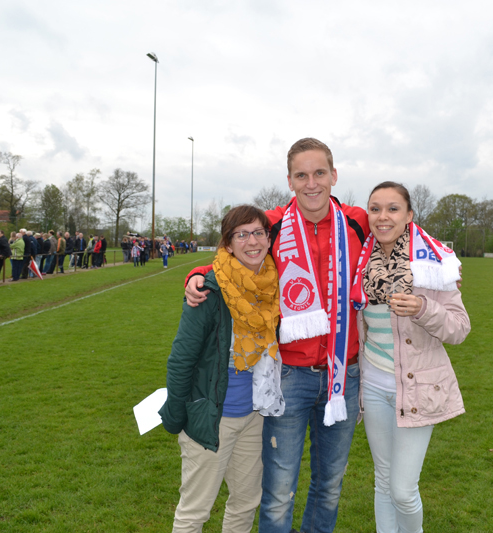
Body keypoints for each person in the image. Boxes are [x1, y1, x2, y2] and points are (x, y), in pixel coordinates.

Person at [185, 138, 370, 533]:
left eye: (320, 173)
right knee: (278, 491)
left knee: (330, 487)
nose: (312, 183)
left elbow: (398, 235)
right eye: (301, 175)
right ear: (289, 180)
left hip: (343, 375)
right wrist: (195, 277)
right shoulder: (273, 223)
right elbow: (231, 253)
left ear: (334, 175)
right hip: (290, 375)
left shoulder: (357, 221)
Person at [351, 182, 470, 533]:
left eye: (392, 208)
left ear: (409, 215)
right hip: (373, 384)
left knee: (403, 490)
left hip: (419, 389)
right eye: (375, 208)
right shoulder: (360, 262)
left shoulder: (434, 264)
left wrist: (423, 308)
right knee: (383, 480)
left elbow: (459, 329)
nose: (382, 216)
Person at [159, 205, 283, 533]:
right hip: (212, 416)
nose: (252, 241)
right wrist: (177, 411)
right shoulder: (210, 289)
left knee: (245, 502)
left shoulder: (272, 285)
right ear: (227, 244)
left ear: (269, 238)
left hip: (255, 414)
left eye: (258, 232)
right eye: (241, 234)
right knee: (194, 511)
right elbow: (181, 358)